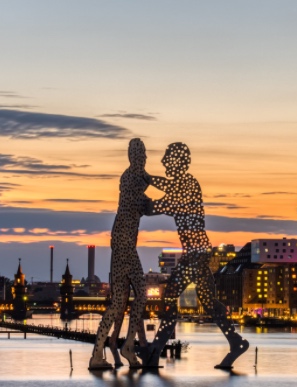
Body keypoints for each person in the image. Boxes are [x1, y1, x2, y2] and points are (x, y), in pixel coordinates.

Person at [141, 142, 249, 369]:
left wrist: (142, 199)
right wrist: (147, 178)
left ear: (179, 162)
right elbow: (166, 187)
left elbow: (162, 205)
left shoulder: (187, 185)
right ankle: (235, 342)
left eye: (168, 158)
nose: (164, 162)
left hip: (195, 254)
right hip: (199, 252)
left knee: (170, 296)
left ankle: (155, 350)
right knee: (208, 302)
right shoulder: (182, 184)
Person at [89, 138, 152, 370]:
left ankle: (100, 353)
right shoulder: (131, 180)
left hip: (122, 245)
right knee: (137, 296)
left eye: (144, 155)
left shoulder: (133, 178)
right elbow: (149, 205)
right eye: (139, 155)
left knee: (119, 303)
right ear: (131, 157)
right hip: (124, 246)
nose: (143, 159)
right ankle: (125, 347)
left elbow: (149, 186)